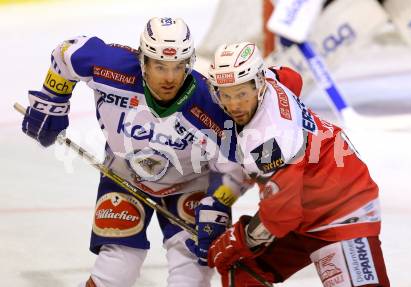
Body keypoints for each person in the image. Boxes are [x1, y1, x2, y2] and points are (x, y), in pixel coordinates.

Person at [20, 17, 250, 287]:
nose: (169, 78)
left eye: (178, 67)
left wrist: (217, 204)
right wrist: (51, 101)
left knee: (191, 275)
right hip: (125, 175)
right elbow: (66, 52)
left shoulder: (211, 103)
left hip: (191, 185)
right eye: (159, 66)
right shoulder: (112, 67)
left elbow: (238, 165)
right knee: (117, 269)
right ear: (143, 59)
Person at [206, 42, 390, 287]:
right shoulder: (271, 80)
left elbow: (282, 216)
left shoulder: (269, 140)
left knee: (241, 253)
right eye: (226, 95)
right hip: (306, 208)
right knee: (242, 270)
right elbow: (292, 78)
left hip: (343, 212)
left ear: (258, 84)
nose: (234, 105)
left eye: (241, 94)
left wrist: (241, 238)